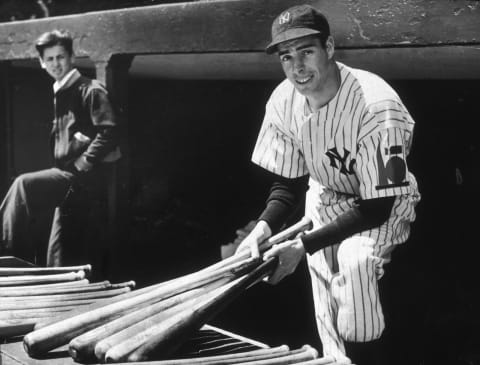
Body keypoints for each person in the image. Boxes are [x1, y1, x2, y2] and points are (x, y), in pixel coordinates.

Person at [236, 5, 420, 364]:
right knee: (325, 302)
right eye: (286, 57)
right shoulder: (283, 100)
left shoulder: (378, 105)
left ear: (330, 48)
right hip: (324, 194)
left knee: (355, 263)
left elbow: (377, 206)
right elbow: (289, 183)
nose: (297, 67)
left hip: (386, 198)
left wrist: (301, 245)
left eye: (307, 51)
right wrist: (264, 226)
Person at [0, 29, 121, 268]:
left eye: (61, 57)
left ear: (72, 57)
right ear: (42, 63)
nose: (56, 63)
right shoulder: (61, 92)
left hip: (80, 177)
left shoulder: (90, 89)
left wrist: (85, 160)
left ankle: (6, 255)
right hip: (67, 177)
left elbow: (110, 131)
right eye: (50, 59)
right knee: (58, 252)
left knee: (24, 185)